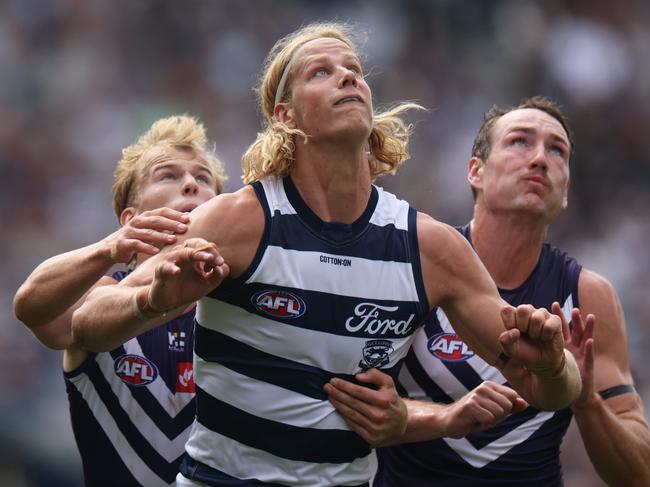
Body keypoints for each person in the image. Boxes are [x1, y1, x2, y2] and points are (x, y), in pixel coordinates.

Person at [71, 24, 582, 487]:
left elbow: (546, 390)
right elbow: (87, 326)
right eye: (322, 71)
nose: (348, 79)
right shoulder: (237, 221)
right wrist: (152, 301)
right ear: (285, 115)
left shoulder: (429, 247)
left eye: (355, 72)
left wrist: (554, 367)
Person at [327, 96, 650, 486]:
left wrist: (585, 398)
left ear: (565, 193)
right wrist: (441, 418)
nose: (539, 159)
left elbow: (639, 474)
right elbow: (344, 400)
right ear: (475, 171)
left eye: (556, 150)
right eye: (519, 141)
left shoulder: (586, 298)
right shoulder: (418, 267)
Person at [13, 115, 226, 486]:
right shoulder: (101, 298)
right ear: (132, 217)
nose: (191, 184)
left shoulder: (239, 310)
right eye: (168, 176)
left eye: (203, 178)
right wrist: (108, 248)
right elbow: (33, 310)